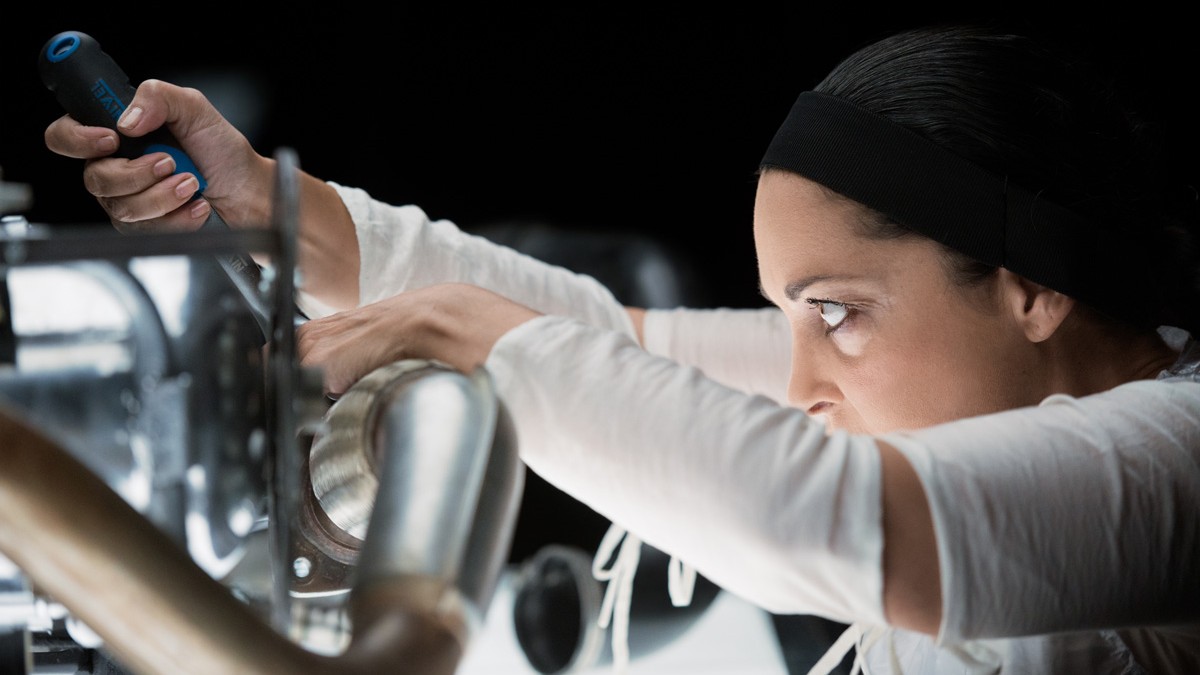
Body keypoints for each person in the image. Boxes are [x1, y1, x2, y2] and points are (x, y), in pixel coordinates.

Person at [42, 21, 1200, 674]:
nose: (798, 382)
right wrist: (273, 208)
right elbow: (614, 344)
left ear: (1034, 288)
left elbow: (837, 522)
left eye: (837, 313)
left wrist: (467, 338)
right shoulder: (934, 386)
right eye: (787, 317)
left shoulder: (1182, 458)